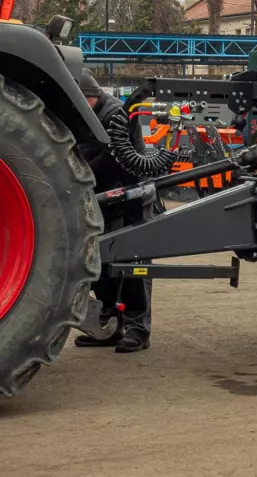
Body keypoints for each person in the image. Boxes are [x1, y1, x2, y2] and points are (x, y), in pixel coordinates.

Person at [75, 69, 152, 354]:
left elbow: (113, 159)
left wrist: (75, 177)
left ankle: (137, 328)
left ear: (89, 96)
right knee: (101, 264)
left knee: (132, 264)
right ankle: (110, 324)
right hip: (103, 197)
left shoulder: (116, 115)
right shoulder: (87, 113)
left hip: (129, 197)